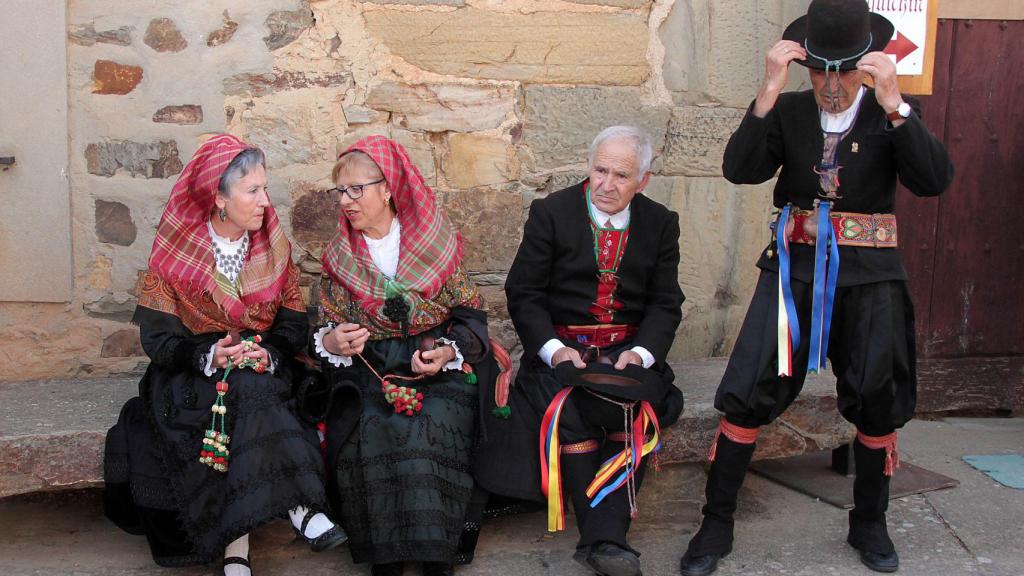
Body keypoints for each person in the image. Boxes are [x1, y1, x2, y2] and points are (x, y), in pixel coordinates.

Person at [678, 2, 954, 575]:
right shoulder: (790, 111)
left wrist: (896, 106)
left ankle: (870, 523)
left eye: (845, 70)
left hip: (871, 275)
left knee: (878, 394)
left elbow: (933, 181)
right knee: (750, 383)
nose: (831, 85)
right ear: (804, 65)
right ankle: (716, 522)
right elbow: (739, 169)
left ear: (868, 64)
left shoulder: (892, 111)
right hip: (793, 269)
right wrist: (768, 91)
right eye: (819, 71)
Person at [103, 134, 346, 575]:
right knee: (245, 392)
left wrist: (265, 353)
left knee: (252, 384)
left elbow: (293, 326)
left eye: (265, 189)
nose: (265, 202)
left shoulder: (274, 248)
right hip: (193, 374)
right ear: (219, 197)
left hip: (263, 365)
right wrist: (212, 353)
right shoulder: (175, 254)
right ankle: (300, 508)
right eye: (253, 191)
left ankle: (238, 551)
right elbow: (158, 342)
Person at [473, 125, 685, 576]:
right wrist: (552, 350)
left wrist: (643, 354)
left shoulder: (662, 222)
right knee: (571, 410)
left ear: (643, 180)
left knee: (639, 408)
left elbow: (666, 303)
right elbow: (524, 292)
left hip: (626, 352)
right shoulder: (551, 212)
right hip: (563, 353)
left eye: (621, 175)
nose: (606, 185)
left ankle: (601, 540)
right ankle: (607, 540)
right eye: (599, 170)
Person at [302, 135, 496, 576]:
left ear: (387, 188)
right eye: (341, 192)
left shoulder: (435, 242)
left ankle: (435, 559)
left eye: (357, 189)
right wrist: (333, 342)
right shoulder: (338, 258)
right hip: (370, 369)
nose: (347, 201)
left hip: (432, 365)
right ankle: (386, 561)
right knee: (371, 428)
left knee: (429, 426)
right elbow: (327, 327)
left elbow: (472, 317)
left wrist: (448, 349)